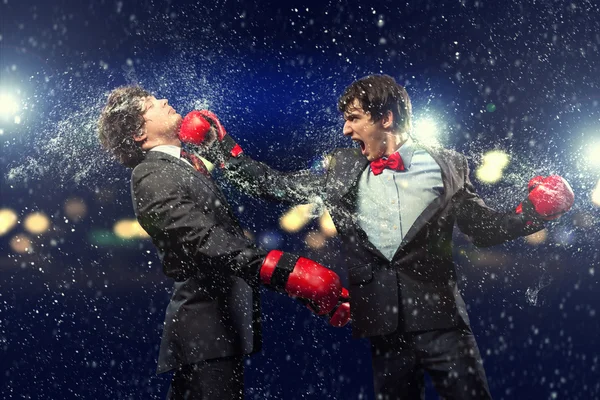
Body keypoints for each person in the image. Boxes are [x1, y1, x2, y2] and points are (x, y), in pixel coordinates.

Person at [179, 74, 575, 400]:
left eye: (354, 118)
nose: (346, 129)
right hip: (382, 327)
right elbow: (275, 185)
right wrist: (221, 147)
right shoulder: (343, 167)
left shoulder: (449, 164)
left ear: (385, 118)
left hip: (443, 323)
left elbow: (483, 229)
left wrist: (531, 214)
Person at [96, 86, 350, 400]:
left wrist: (222, 149)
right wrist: (287, 272)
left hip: (212, 328)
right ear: (138, 133)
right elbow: (203, 240)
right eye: (150, 104)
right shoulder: (151, 173)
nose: (163, 99)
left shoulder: (185, 163)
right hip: (205, 327)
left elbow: (269, 187)